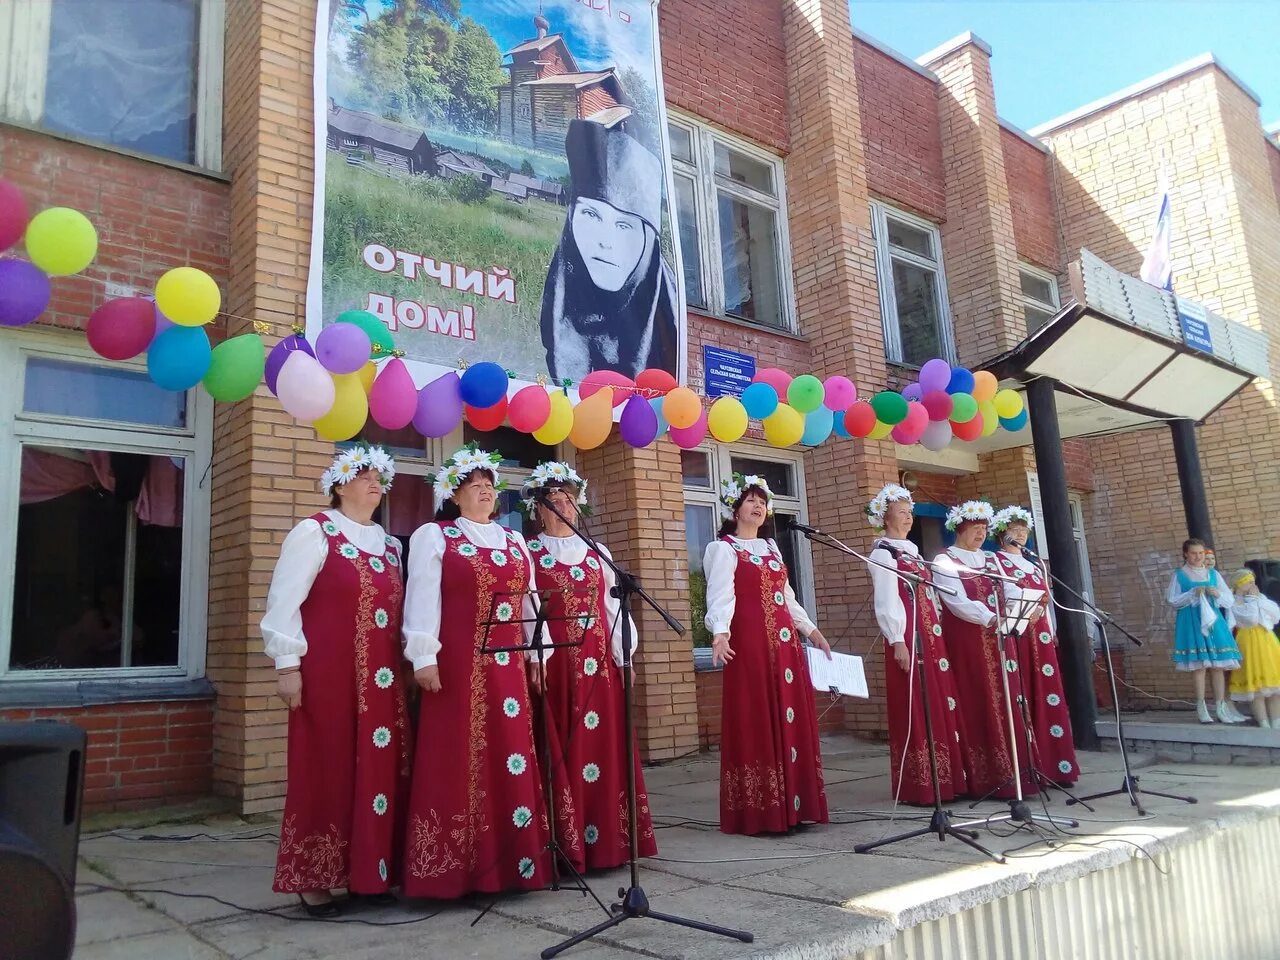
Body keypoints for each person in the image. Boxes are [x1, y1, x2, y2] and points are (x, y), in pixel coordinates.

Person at [401, 445, 567, 897]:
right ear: (454, 496)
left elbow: (530, 603)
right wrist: (423, 655)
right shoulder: (435, 537)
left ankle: (513, 863)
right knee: (458, 756)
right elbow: (421, 598)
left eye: (490, 487)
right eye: (475, 487)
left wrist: (538, 655)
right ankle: (455, 869)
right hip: (456, 664)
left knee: (510, 753)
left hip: (509, 669)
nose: (485, 493)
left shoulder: (514, 541)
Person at [262, 444, 409, 917]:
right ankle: (314, 876)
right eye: (362, 474)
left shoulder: (391, 545)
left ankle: (370, 872)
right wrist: (287, 665)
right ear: (339, 484)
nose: (373, 482)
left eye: (378, 476)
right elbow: (283, 601)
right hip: (328, 675)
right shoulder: (314, 532)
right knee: (327, 768)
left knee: (379, 771)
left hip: (383, 682)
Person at [522, 462, 657, 870]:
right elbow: (527, 609)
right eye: (552, 500)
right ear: (538, 510)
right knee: (560, 746)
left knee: (602, 748)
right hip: (556, 663)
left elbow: (613, 607)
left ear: (578, 506)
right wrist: (536, 658)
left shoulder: (600, 553)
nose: (561, 504)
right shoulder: (528, 552)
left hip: (599, 665)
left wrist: (624, 657)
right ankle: (565, 844)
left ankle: (606, 843)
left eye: (567, 497)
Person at [704, 474, 831, 835]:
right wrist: (720, 633)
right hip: (751, 645)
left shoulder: (773, 548)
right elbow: (720, 595)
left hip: (785, 646)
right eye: (750, 501)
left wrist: (811, 631)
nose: (758, 507)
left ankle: (796, 803)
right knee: (758, 715)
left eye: (762, 502)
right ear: (735, 508)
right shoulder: (724, 549)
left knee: (789, 713)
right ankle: (763, 809)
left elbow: (787, 598)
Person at [540, 117, 679, 382]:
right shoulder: (563, 294)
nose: (606, 241)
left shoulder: (665, 324)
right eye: (591, 214)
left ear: (648, 240)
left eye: (624, 226)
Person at [866, 484, 968, 804]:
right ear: (885, 516)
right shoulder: (883, 552)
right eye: (901, 512)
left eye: (910, 512)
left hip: (928, 632)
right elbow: (886, 599)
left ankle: (946, 778)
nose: (908, 518)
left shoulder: (911, 549)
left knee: (936, 699)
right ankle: (920, 783)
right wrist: (897, 640)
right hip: (908, 634)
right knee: (915, 702)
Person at [934, 501, 1037, 800]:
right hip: (967, 639)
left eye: (984, 530)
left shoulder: (991, 559)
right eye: (975, 529)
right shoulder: (945, 559)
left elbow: (1012, 588)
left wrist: (1022, 607)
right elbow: (955, 600)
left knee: (1007, 697)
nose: (981, 535)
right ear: (960, 529)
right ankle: (985, 776)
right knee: (978, 697)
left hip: (1000, 638)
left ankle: (1018, 773)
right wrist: (990, 617)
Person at [991, 506, 1078, 785]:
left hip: (1040, 633)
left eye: (1024, 530)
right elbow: (1005, 593)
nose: (1021, 535)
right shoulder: (996, 562)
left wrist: (1051, 629)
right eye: (1015, 531)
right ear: (1003, 534)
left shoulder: (1034, 563)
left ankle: (1057, 765)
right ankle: (1030, 765)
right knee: (1024, 692)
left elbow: (1047, 601)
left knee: (1048, 692)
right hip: (1018, 633)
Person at [1167, 538, 1244, 724]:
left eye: (1200, 553)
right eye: (1193, 553)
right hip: (1191, 620)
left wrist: (1216, 593)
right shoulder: (1179, 575)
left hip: (1213, 621)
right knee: (1200, 666)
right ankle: (1201, 707)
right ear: (1186, 553)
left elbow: (1229, 599)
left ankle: (1221, 707)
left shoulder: (1213, 574)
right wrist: (1193, 593)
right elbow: (1172, 600)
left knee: (1218, 665)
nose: (1198, 557)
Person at [1227, 569, 1280, 728]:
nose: (1253, 584)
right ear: (1240, 584)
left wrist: (1257, 599)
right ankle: (1263, 723)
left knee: (1274, 688)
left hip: (1267, 640)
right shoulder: (1234, 601)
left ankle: (1277, 723)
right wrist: (1251, 600)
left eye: (1252, 581)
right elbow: (1250, 619)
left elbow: (1275, 614)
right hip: (1248, 642)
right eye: (1249, 581)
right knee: (1256, 690)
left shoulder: (1259, 597)